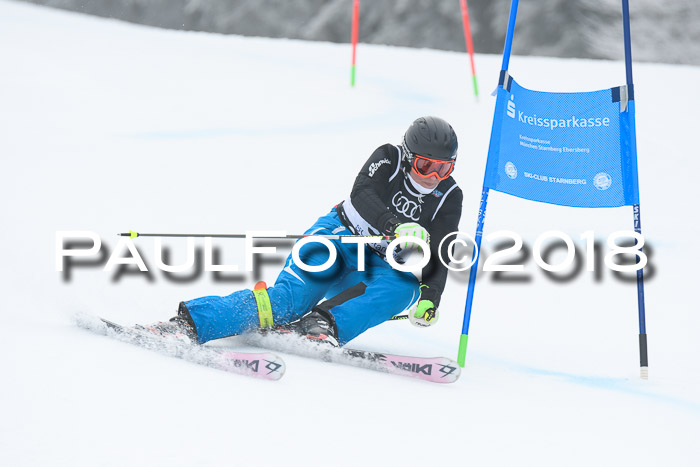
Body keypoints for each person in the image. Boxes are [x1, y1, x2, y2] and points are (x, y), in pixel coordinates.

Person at [146, 116, 463, 347]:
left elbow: (440, 253)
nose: (435, 175)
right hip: (339, 237)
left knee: (405, 289)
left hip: (377, 266)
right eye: (426, 166)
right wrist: (395, 225)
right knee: (288, 301)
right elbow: (362, 195)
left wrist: (430, 297)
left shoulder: (449, 196)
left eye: (444, 168)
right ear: (409, 158)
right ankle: (192, 323)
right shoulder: (389, 158)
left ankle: (321, 325)